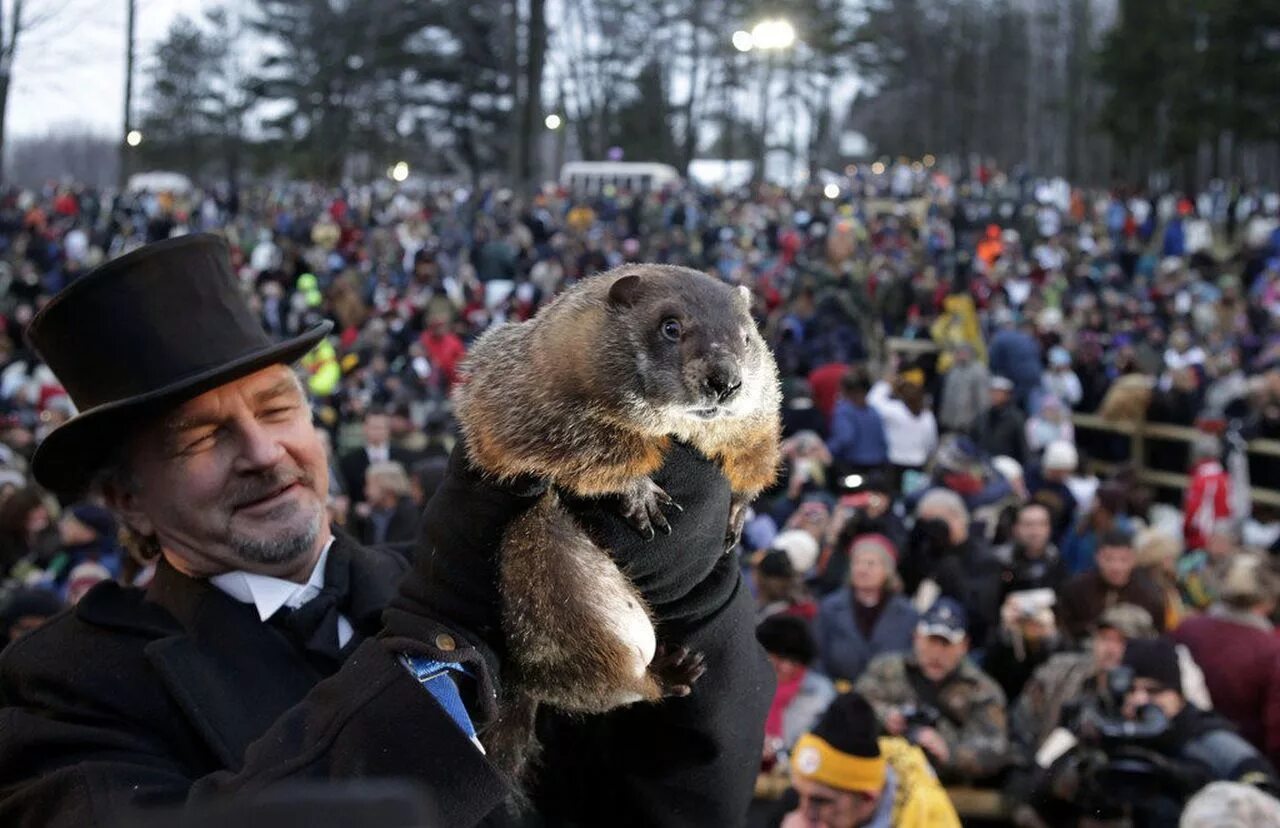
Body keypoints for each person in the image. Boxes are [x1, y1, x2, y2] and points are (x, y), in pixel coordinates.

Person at [0, 235, 773, 827]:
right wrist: (441, 636)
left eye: (277, 409)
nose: (264, 454)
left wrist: (692, 599)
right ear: (127, 501)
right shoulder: (63, 687)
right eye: (200, 439)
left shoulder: (422, 570)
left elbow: (672, 802)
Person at [854, 598, 1009, 784]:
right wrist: (886, 717)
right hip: (884, 775)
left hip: (952, 786)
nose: (936, 653)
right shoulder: (886, 669)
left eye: (946, 644)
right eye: (930, 641)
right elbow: (854, 706)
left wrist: (948, 751)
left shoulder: (981, 689)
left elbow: (996, 750)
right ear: (916, 637)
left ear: (964, 646)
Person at [777, 693, 960, 827]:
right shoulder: (800, 803)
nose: (805, 811)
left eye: (821, 801)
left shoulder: (927, 818)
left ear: (868, 799)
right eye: (800, 792)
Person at [1173, 553, 1280, 769]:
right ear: (1269, 599)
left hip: (1185, 753)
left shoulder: (1188, 628)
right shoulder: (1270, 649)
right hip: (1245, 764)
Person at [983, 503, 1069, 699]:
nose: (1035, 531)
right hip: (1006, 653)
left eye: (1041, 524)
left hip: (1045, 649)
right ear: (1016, 528)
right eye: (1028, 524)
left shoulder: (1058, 565)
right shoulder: (998, 563)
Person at [899, 489, 1001, 646]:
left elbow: (981, 611)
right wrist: (913, 546)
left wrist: (948, 563)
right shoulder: (923, 552)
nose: (932, 530)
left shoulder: (984, 559)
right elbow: (903, 590)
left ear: (957, 519)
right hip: (918, 638)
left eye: (936, 523)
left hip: (966, 642)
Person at [813, 535, 917, 685]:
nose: (862, 569)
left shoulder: (907, 614)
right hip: (836, 690)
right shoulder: (830, 607)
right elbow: (817, 655)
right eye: (857, 563)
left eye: (871, 564)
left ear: (887, 571)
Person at [1056, 527, 1167, 642]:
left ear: (1133, 559)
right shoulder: (1076, 590)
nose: (1116, 567)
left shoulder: (1149, 594)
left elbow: (1158, 636)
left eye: (1123, 560)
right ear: (1097, 557)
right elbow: (1066, 631)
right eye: (1108, 559)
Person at [757, 614, 838, 760]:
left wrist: (780, 750)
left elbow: (823, 743)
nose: (786, 668)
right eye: (780, 658)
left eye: (794, 662)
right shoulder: (745, 687)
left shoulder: (820, 692)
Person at [339, 409, 415, 505]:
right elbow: (348, 494)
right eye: (373, 427)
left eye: (381, 427)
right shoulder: (349, 461)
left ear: (388, 429)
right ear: (365, 428)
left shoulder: (405, 457)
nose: (377, 432)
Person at [825, 371, 888, 476]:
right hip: (877, 466)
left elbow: (845, 438)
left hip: (852, 466)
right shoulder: (874, 411)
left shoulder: (844, 411)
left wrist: (826, 449)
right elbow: (883, 440)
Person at [352, 461, 421, 547]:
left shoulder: (410, 514)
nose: (366, 491)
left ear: (386, 486)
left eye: (369, 485)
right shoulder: (371, 516)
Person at [969, 376, 1028, 466]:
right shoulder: (982, 417)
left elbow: (1023, 448)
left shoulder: (1016, 418)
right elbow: (974, 441)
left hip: (1008, 466)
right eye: (993, 392)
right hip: (985, 465)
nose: (995, 396)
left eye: (999, 392)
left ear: (1007, 395)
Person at [937, 342, 989, 434]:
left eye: (961, 352)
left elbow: (983, 399)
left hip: (970, 424)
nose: (958, 355)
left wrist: (981, 422)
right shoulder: (953, 370)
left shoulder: (979, 371)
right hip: (951, 423)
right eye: (957, 352)